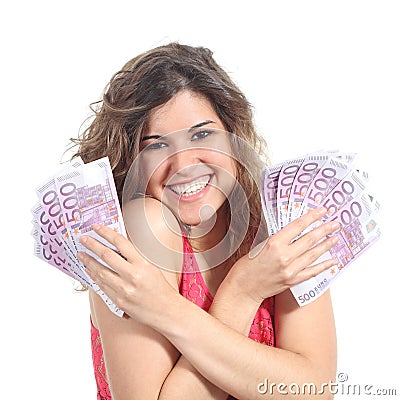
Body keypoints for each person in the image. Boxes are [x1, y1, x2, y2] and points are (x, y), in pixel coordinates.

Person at [72, 43, 339, 400]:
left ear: (232, 135)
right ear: (130, 160)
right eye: (155, 145)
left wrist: (165, 309)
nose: (183, 165)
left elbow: (315, 390)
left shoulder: (280, 222)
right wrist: (244, 293)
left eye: (201, 134)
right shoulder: (143, 230)